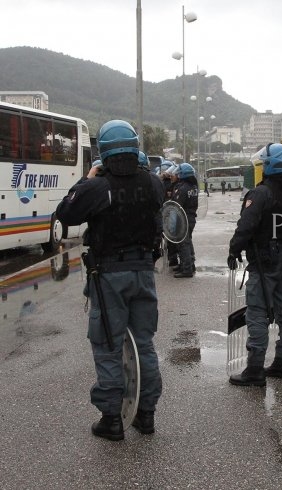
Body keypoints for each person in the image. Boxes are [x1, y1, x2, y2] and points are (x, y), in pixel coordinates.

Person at [55, 120, 165, 441]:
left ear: (103, 151)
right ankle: (146, 414)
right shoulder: (154, 183)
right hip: (144, 272)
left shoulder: (97, 188)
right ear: (134, 146)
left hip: (109, 276)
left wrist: (86, 179)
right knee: (143, 343)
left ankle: (112, 418)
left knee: (107, 344)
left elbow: (66, 212)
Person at [227, 142, 282, 387]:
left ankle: (254, 368)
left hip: (265, 261)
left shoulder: (260, 194)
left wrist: (234, 250)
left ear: (270, 166)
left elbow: (246, 226)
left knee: (258, 312)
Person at [171, 162, 198, 278]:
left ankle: (186, 269)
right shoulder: (193, 187)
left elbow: (176, 205)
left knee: (183, 244)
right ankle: (189, 265)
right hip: (191, 217)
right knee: (188, 241)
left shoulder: (182, 188)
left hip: (183, 218)